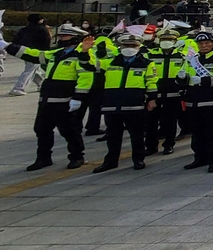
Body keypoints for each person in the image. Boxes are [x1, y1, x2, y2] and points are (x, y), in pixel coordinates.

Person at [3, 24, 93, 171]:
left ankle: (77, 157)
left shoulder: (83, 55)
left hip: (66, 101)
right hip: (47, 99)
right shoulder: (56, 53)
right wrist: (7, 46)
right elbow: (32, 54)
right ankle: (43, 158)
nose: (61, 39)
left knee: (69, 131)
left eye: (65, 36)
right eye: (61, 36)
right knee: (41, 129)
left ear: (76, 38)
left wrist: (78, 97)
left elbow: (86, 77)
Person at [90, 34, 157, 173]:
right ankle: (111, 161)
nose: (129, 48)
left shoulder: (147, 63)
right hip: (112, 103)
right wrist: (88, 52)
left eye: (133, 46)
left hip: (134, 104)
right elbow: (90, 64)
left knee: (137, 135)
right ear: (120, 47)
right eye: (126, 46)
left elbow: (151, 82)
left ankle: (138, 159)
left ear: (139, 47)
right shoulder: (110, 62)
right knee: (113, 136)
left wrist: (152, 99)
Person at [180, 31, 213, 173]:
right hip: (194, 101)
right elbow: (183, 79)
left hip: (212, 102)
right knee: (196, 134)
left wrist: (203, 80)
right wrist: (181, 77)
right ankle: (199, 158)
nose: (204, 46)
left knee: (212, 134)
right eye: (201, 43)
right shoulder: (191, 60)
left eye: (207, 43)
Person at [145, 29, 186, 155]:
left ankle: (169, 144)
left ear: (175, 41)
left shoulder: (182, 56)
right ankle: (151, 146)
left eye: (169, 40)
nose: (166, 42)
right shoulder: (150, 54)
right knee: (150, 122)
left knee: (170, 122)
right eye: (163, 39)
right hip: (154, 94)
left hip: (173, 95)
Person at [9, 13, 50, 96]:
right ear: (39, 20)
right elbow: (46, 42)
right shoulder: (42, 30)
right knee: (30, 70)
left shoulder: (24, 29)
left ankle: (41, 84)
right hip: (37, 53)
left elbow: (16, 40)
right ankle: (18, 88)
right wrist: (46, 53)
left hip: (23, 51)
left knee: (34, 69)